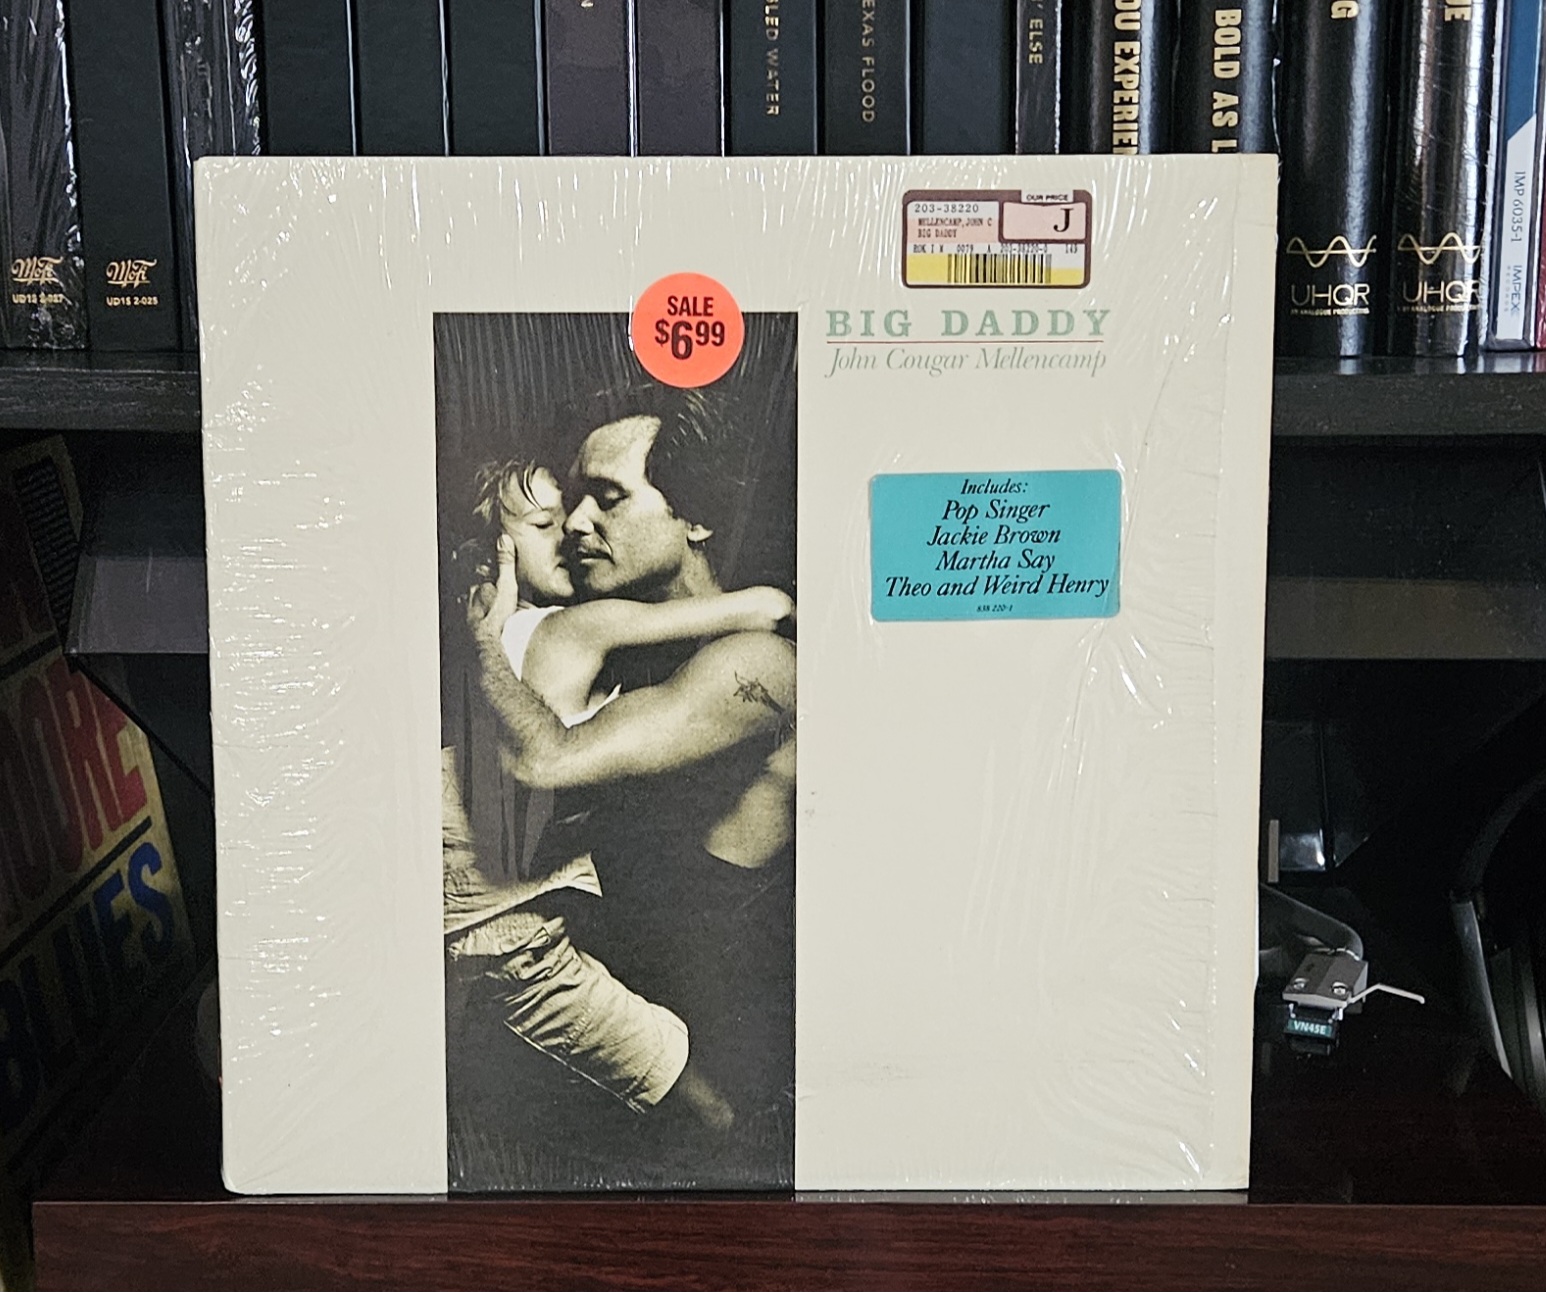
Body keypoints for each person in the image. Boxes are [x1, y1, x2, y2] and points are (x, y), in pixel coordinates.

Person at [465, 387, 797, 1184]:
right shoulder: (614, 642)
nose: (578, 522)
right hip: (595, 1049)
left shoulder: (758, 662)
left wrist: (479, 645)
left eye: (608, 498)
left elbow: (542, 763)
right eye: (574, 499)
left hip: (704, 1084)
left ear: (696, 518)